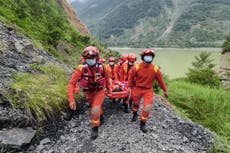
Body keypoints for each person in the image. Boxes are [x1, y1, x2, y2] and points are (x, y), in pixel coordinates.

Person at [67, 46, 111, 140]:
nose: (90, 60)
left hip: (99, 91)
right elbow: (71, 84)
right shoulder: (81, 68)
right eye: (88, 58)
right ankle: (101, 115)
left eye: (92, 58)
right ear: (85, 58)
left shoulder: (102, 67)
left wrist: (109, 89)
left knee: (95, 109)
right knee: (94, 107)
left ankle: (95, 127)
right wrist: (71, 100)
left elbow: (107, 79)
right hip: (89, 92)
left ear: (97, 58)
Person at [127, 49, 168, 133]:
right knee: (135, 104)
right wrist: (129, 87)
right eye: (147, 56)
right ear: (143, 57)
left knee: (147, 107)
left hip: (148, 90)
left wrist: (165, 90)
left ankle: (143, 123)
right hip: (137, 88)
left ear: (152, 58)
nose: (148, 58)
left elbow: (161, 81)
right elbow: (130, 77)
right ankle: (135, 114)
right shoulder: (137, 67)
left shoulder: (155, 69)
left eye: (150, 56)